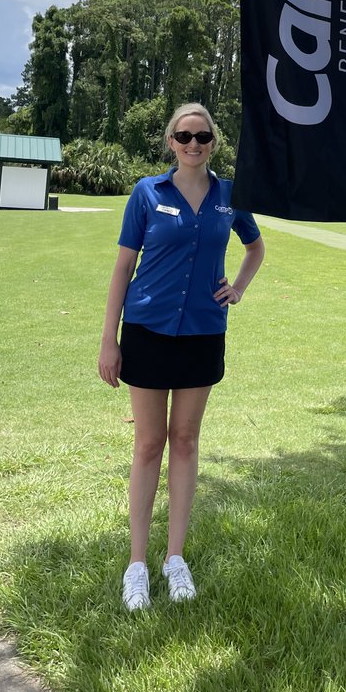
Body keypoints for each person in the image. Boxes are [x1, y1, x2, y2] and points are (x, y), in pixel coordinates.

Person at [98, 103, 265, 611]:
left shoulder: (230, 195)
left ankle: (175, 559)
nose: (194, 144)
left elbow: (256, 248)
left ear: (214, 141)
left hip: (201, 334)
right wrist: (110, 340)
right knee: (150, 445)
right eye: (185, 135)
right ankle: (138, 564)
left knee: (186, 441)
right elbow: (123, 269)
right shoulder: (148, 192)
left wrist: (236, 288)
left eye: (203, 136)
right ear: (170, 140)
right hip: (147, 331)